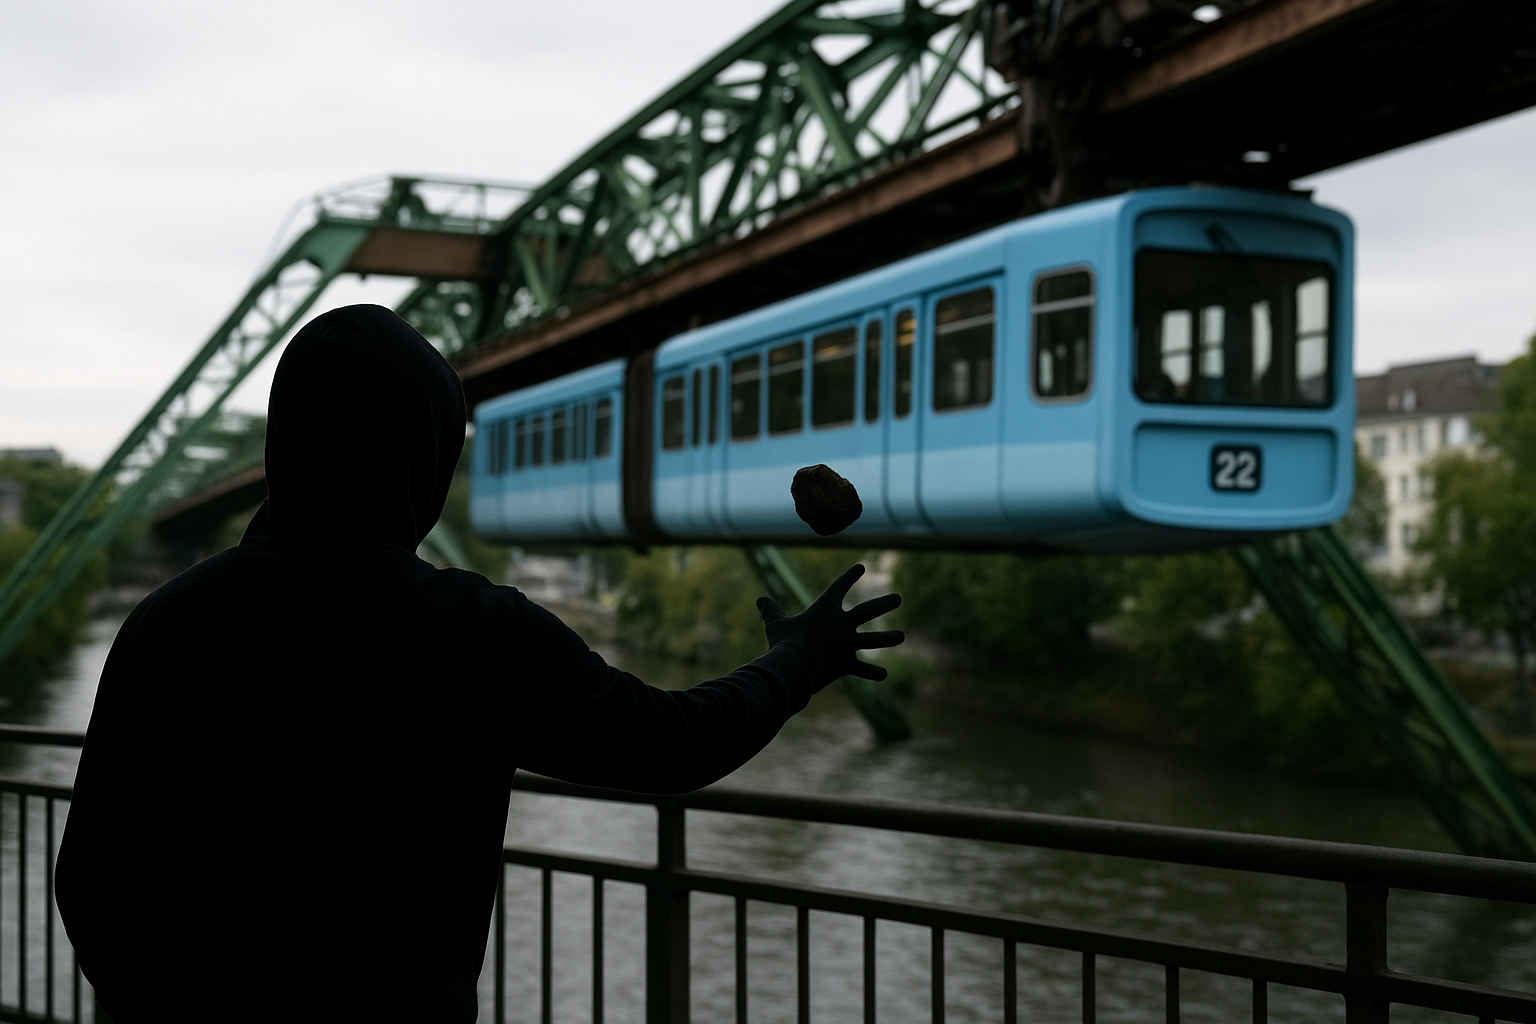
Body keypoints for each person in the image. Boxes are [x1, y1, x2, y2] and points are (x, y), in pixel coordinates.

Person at [55, 304, 902, 1023]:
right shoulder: (472, 630)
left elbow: (89, 881)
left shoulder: (167, 623)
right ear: (422, 461)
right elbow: (674, 743)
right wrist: (800, 659)